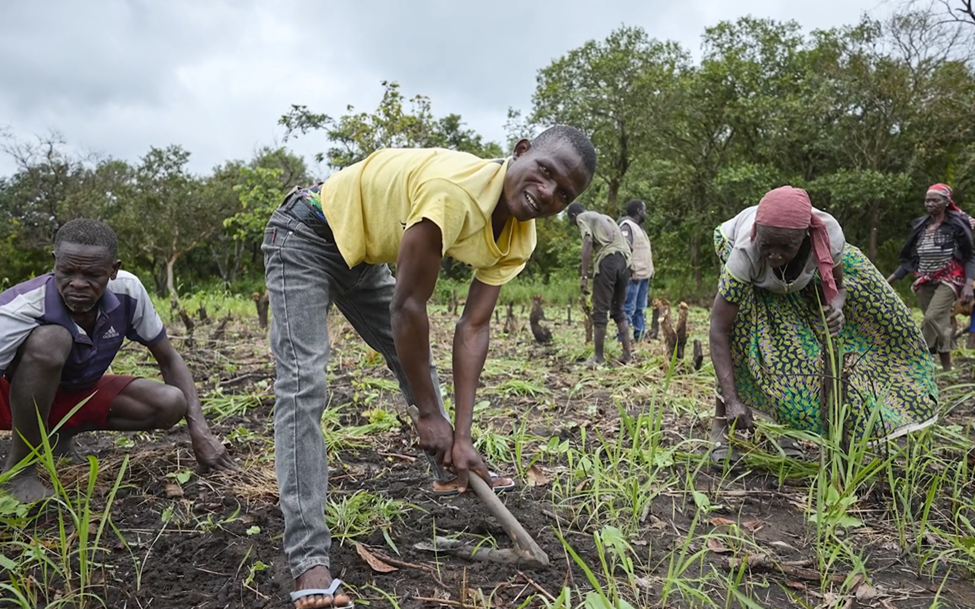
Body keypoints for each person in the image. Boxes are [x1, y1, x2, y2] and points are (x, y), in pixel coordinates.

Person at [262, 126, 596, 609]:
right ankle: (308, 559)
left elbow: (473, 329)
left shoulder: (521, 237)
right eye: (544, 172)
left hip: (362, 255)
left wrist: (461, 433)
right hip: (306, 232)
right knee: (303, 385)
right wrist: (428, 413)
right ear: (521, 151)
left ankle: (450, 465)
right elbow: (408, 307)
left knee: (415, 363)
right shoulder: (454, 192)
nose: (547, 194)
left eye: (564, 193)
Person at [0, 219, 236, 503]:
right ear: (54, 262)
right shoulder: (20, 307)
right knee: (52, 340)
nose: (77, 283)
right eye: (67, 271)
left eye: (92, 275)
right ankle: (19, 473)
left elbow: (169, 359)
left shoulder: (129, 292)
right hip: (13, 398)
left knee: (170, 401)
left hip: (75, 393)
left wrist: (200, 432)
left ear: (113, 270)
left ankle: (59, 437)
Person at [709, 186, 937, 464]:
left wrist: (837, 307)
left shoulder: (828, 237)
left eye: (786, 247)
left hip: (801, 281)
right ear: (757, 235)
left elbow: (839, 287)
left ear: (805, 237)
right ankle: (720, 427)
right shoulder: (745, 252)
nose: (775, 255)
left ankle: (787, 432)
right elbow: (719, 329)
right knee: (744, 337)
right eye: (767, 245)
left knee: (800, 346)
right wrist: (733, 399)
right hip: (739, 256)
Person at [887, 183, 975, 371]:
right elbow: (910, 261)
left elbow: (969, 256)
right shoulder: (922, 226)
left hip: (950, 279)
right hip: (924, 280)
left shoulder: (956, 227)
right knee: (938, 322)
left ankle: (918, 361)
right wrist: (887, 282)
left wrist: (969, 284)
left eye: (935, 200)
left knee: (931, 318)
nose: (930, 203)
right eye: (927, 200)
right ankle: (947, 369)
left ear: (946, 202)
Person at [566, 202, 632, 366]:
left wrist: (584, 275)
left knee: (600, 311)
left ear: (573, 216)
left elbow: (588, 241)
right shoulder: (606, 218)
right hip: (624, 262)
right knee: (618, 310)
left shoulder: (582, 217)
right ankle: (627, 355)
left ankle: (598, 358)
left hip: (608, 261)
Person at [618, 199, 654, 342]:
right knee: (628, 310)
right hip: (633, 277)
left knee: (640, 309)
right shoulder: (626, 226)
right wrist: (631, 270)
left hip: (643, 275)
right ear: (639, 211)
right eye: (644, 210)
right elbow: (624, 248)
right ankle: (622, 340)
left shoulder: (639, 228)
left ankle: (639, 338)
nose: (645, 213)